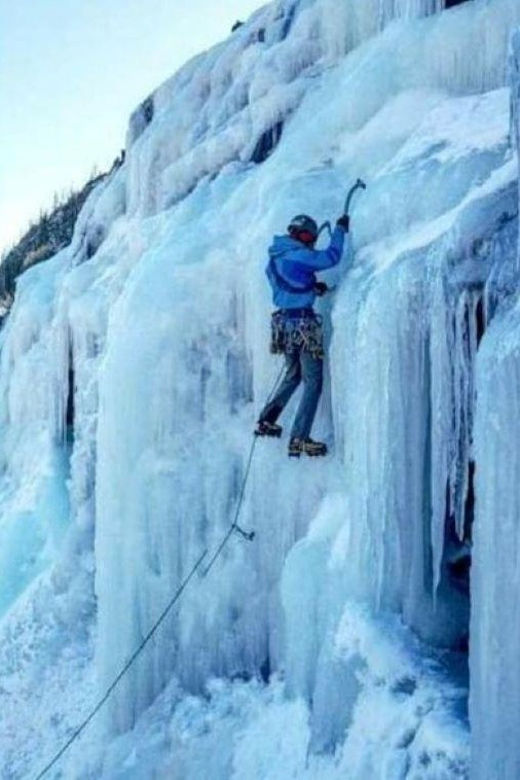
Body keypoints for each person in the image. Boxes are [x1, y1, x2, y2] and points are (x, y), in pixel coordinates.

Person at [255, 212, 350, 457]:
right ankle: (299, 438)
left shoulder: (275, 257)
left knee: (293, 374)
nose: (310, 242)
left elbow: (290, 282)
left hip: (283, 324)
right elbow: (331, 257)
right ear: (299, 234)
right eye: (308, 236)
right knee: (313, 381)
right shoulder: (298, 254)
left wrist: (310, 287)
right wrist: (340, 230)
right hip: (304, 325)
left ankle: (267, 419)